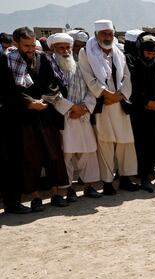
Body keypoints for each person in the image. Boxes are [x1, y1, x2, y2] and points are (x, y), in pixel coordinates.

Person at [8, 27, 71, 211]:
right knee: (30, 158)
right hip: (23, 116)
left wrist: (43, 101)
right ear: (15, 43)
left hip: (45, 112)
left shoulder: (43, 58)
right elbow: (8, 89)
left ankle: (56, 193)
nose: (29, 49)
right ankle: (35, 197)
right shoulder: (7, 61)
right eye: (25, 45)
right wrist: (29, 102)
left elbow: (53, 84)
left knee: (53, 155)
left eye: (31, 45)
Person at [79, 19, 139, 194]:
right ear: (96, 34)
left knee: (126, 141)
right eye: (104, 33)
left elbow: (127, 76)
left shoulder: (119, 52)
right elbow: (88, 77)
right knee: (105, 142)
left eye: (110, 33)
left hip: (119, 103)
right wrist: (106, 94)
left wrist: (119, 96)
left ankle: (126, 178)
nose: (107, 37)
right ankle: (107, 182)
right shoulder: (86, 52)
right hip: (103, 103)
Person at [48, 33, 103, 200]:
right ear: (53, 49)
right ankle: (69, 188)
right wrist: (70, 108)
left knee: (88, 152)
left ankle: (89, 185)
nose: (65, 51)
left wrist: (84, 107)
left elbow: (91, 89)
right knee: (67, 154)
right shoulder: (49, 68)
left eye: (68, 48)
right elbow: (50, 92)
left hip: (82, 116)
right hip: (64, 117)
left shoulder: (79, 66)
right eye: (61, 48)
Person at [127, 32, 155, 192]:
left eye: (153, 53)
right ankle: (143, 176)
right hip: (140, 111)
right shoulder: (133, 62)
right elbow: (133, 87)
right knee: (142, 144)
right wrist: (145, 102)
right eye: (148, 53)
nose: (151, 56)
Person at [0, 45, 30, 213]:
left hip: (8, 118)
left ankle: (12, 202)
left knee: (10, 162)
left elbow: (14, 89)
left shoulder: (8, 59)